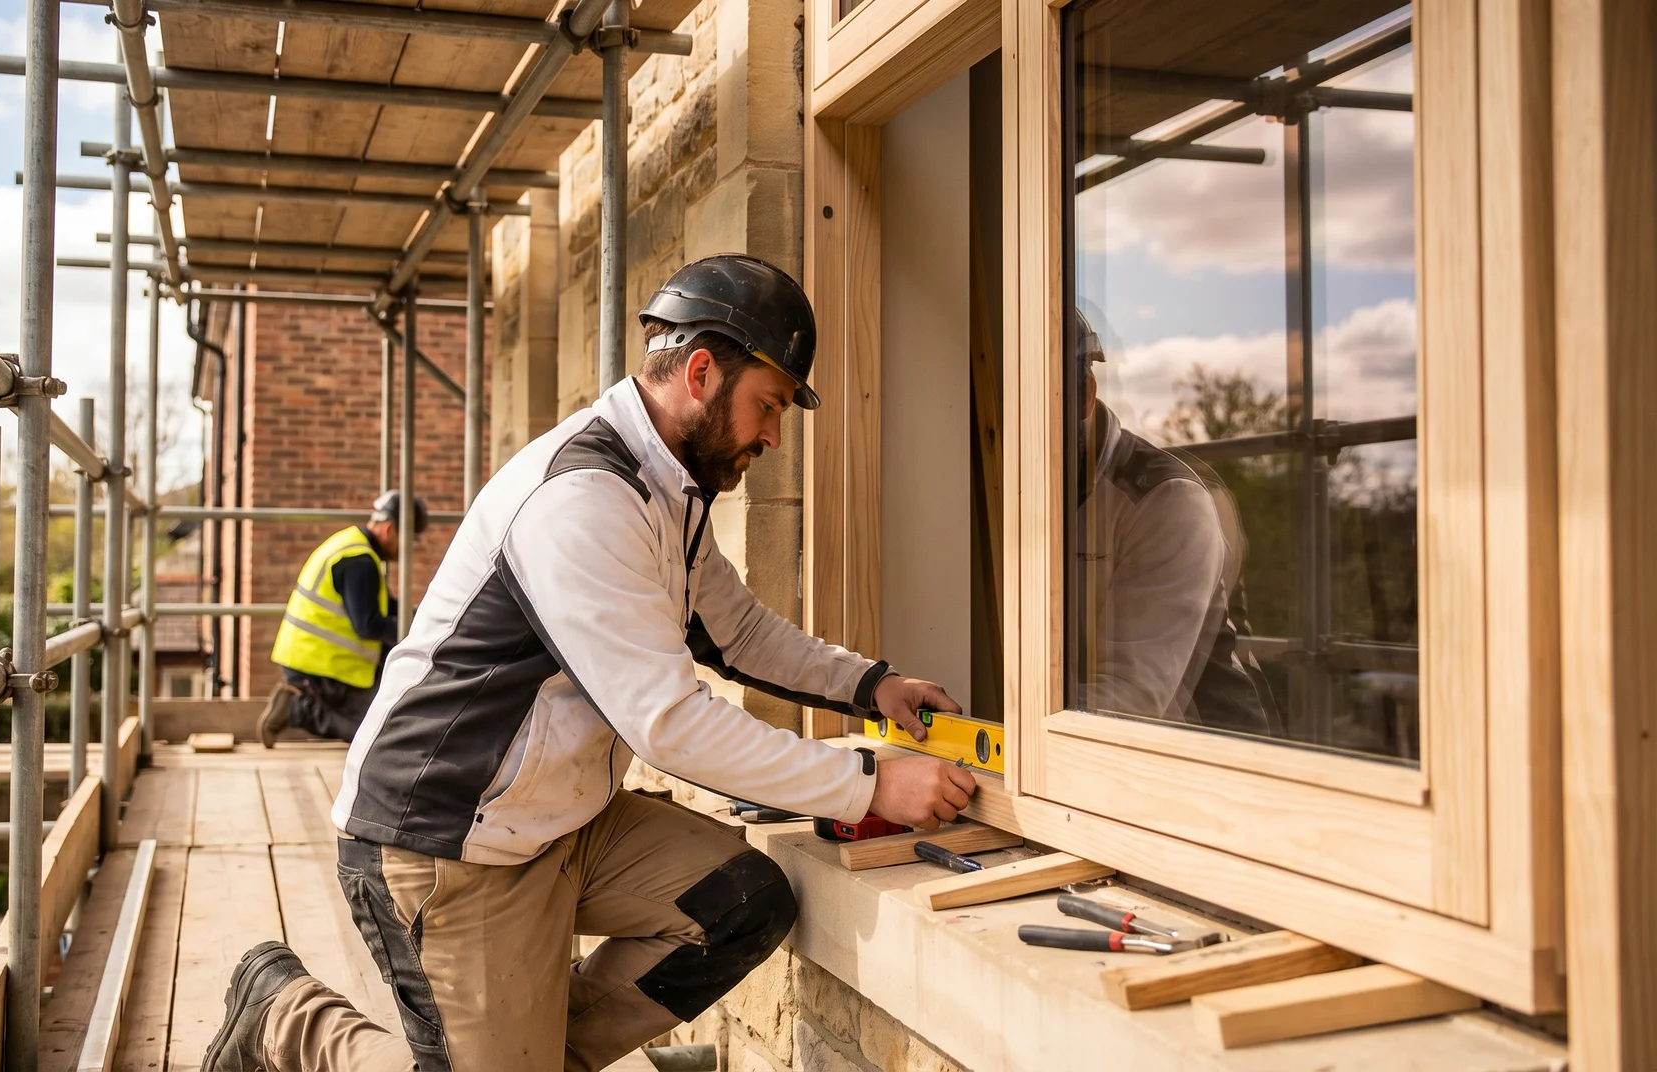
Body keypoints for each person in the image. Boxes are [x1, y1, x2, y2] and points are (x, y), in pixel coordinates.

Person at [202, 255, 978, 1072]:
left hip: (560, 826)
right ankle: (285, 1013)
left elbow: (738, 633)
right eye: (769, 406)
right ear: (703, 373)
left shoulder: (666, 490)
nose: (774, 436)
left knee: (742, 904)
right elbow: (668, 724)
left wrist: (870, 684)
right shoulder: (582, 500)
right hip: (445, 843)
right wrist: (870, 785)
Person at [1071, 309, 1277, 735]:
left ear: (1085, 395)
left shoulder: (1166, 502)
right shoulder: (1036, 492)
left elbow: (1129, 698)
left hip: (1207, 761)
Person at [257, 490, 428, 746]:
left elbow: (385, 606)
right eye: (408, 539)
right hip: (317, 667)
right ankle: (295, 708)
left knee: (389, 718)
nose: (407, 549)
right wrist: (415, 633)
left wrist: (423, 618)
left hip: (326, 662)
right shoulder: (359, 562)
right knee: (375, 733)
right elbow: (368, 625)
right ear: (390, 529)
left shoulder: (356, 549)